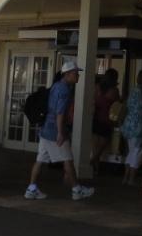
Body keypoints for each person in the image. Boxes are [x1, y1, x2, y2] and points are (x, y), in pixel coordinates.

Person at [24, 61, 95, 201]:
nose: (78, 76)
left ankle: (31, 189)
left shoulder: (56, 86)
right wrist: (60, 132)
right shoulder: (64, 90)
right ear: (67, 74)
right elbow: (60, 112)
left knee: (40, 160)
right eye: (75, 73)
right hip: (54, 130)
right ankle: (76, 190)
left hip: (46, 128)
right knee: (67, 159)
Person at [121, 68, 142, 186]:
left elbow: (126, 106)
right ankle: (131, 179)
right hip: (139, 126)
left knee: (131, 151)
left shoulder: (134, 90)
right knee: (138, 152)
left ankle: (125, 177)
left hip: (129, 125)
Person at [91, 68, 120, 172]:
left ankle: (95, 166)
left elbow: (93, 100)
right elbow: (118, 105)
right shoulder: (114, 90)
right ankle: (93, 162)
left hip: (96, 117)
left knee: (95, 144)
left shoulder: (98, 87)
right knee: (103, 144)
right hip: (107, 119)